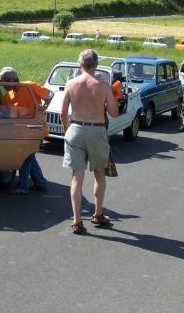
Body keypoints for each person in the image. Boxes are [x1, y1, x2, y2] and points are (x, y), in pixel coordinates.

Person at [61, 49, 119, 234]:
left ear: (80, 64)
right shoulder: (103, 86)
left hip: (76, 129)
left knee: (76, 176)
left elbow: (63, 113)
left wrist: (67, 130)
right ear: (95, 65)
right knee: (99, 174)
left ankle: (77, 220)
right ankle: (98, 213)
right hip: (96, 130)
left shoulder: (71, 83)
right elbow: (114, 112)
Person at [0, 67, 50, 194]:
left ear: (12, 79)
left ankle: (23, 186)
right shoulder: (7, 97)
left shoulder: (30, 86)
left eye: (4, 82)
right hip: (20, 133)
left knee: (26, 157)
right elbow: (4, 115)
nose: (2, 85)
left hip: (35, 129)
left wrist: (44, 107)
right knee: (29, 157)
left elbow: (50, 95)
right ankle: (41, 183)